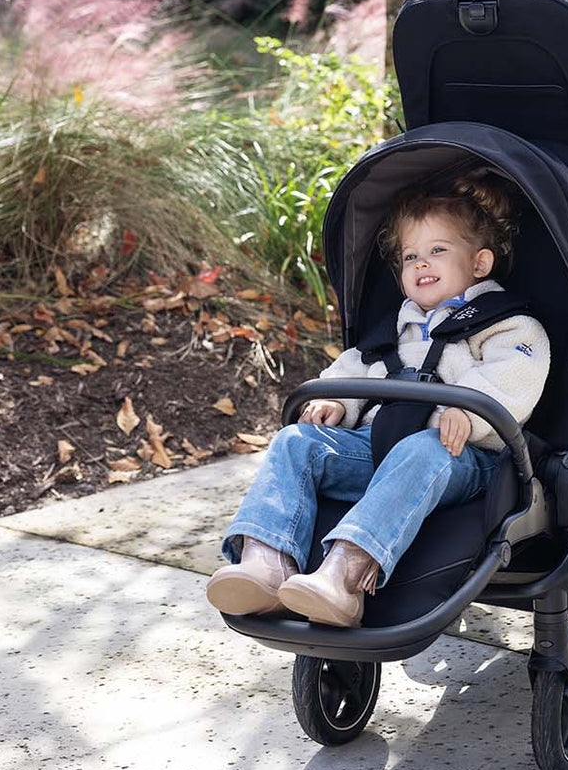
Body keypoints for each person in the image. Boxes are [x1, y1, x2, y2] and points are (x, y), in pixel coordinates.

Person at [205, 170, 550, 625]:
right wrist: (337, 404)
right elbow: (352, 368)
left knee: (422, 448)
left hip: (463, 458)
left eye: (438, 251)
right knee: (296, 442)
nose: (422, 264)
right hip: (378, 449)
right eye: (411, 256)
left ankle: (346, 575)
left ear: (480, 264)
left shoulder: (506, 324)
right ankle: (265, 562)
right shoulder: (393, 330)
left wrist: (468, 410)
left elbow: (516, 377)